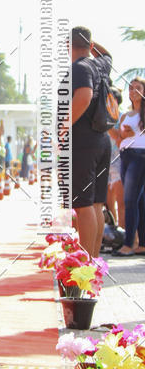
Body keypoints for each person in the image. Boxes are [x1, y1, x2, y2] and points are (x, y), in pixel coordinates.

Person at [70, 27, 113, 258]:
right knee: (95, 204)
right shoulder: (100, 64)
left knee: (83, 204)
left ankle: (83, 267)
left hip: (83, 141)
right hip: (102, 140)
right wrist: (92, 44)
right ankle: (93, 262)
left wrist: (62, 126)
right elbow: (108, 55)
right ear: (90, 44)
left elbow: (84, 95)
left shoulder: (80, 67)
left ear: (69, 45)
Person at [116, 77, 145, 256]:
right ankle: (142, 243)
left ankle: (128, 244)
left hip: (139, 156)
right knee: (140, 201)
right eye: (131, 88)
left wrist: (133, 133)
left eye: (138, 87)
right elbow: (119, 138)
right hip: (125, 155)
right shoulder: (126, 115)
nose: (133, 91)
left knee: (129, 200)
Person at [106, 88, 125, 231]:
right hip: (105, 161)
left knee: (121, 201)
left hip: (119, 161)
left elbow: (119, 138)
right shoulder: (101, 117)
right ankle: (112, 232)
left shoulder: (123, 118)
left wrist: (108, 123)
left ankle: (123, 235)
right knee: (107, 202)